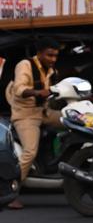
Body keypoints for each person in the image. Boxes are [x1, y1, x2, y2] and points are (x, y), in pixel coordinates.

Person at [4, 37, 63, 209]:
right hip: (25, 115)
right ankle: (10, 193)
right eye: (49, 55)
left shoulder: (50, 70)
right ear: (39, 53)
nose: (53, 59)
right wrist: (38, 92)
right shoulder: (25, 65)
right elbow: (19, 89)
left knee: (74, 121)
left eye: (55, 56)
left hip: (44, 112)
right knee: (30, 152)